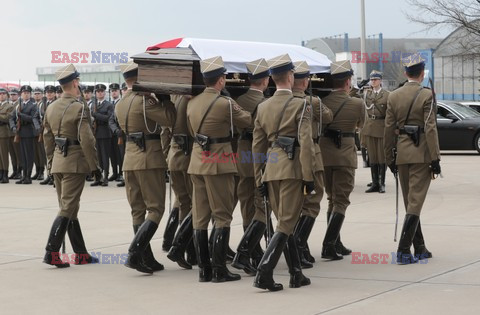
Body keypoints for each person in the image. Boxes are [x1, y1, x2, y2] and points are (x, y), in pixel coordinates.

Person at [252, 54, 315, 292]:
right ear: (290, 77)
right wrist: (308, 177)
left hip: (271, 168)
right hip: (292, 169)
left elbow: (256, 147)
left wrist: (259, 176)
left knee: (283, 222)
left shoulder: (262, 107)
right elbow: (306, 144)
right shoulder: (301, 105)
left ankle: (296, 273)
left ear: (272, 78)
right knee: (287, 223)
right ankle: (263, 273)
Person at [186, 56, 251, 283]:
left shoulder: (191, 103)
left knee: (200, 218)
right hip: (219, 163)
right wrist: (233, 102)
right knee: (222, 216)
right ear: (221, 80)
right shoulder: (224, 103)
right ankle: (219, 269)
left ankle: (204, 270)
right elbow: (247, 121)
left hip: (197, 161)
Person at [115, 61, 176, 274]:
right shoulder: (143, 101)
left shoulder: (120, 102)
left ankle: (146, 258)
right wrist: (166, 99)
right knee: (156, 209)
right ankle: (134, 252)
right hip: (148, 159)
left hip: (130, 159)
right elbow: (170, 119)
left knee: (137, 210)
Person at [42, 64, 101, 268]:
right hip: (74, 163)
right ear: (75, 82)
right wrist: (95, 166)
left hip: (58, 161)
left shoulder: (50, 107)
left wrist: (51, 163)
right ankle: (51, 251)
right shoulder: (78, 107)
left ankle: (81, 254)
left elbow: (47, 139)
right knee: (68, 208)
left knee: (70, 208)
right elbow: (87, 140)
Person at [384, 53, 440, 264]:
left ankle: (420, 247)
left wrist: (388, 156)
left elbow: (388, 130)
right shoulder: (426, 95)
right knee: (415, 203)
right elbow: (431, 128)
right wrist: (435, 158)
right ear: (422, 73)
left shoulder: (393, 96)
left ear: (406, 73)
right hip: (420, 154)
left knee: (411, 202)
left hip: (401, 154)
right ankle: (403, 250)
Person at [319, 60, 365, 261]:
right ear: (348, 82)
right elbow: (363, 126)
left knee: (331, 198)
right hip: (344, 155)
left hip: (323, 155)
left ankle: (335, 241)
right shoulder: (356, 103)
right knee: (341, 200)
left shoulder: (322, 102)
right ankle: (329, 244)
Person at [291, 61, 333, 268]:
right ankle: (298, 245)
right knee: (313, 202)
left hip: (286, 158)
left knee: (295, 205)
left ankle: (300, 247)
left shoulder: (277, 100)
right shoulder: (312, 101)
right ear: (306, 81)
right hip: (311, 155)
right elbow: (328, 116)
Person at [231, 58, 270, 275]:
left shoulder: (237, 100)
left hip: (241, 155)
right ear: (265, 80)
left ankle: (253, 252)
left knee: (246, 204)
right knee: (262, 205)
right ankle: (249, 251)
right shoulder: (266, 103)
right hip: (260, 157)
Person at [166, 94, 195, 269]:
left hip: (174, 156)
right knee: (198, 205)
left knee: (185, 203)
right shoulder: (192, 100)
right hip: (189, 156)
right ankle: (181, 247)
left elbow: (165, 131)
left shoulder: (175, 99)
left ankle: (188, 251)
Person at [362, 70, 390, 193]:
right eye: (372, 79)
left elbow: (390, 113)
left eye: (375, 79)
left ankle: (382, 183)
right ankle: (374, 183)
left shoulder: (387, 95)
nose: (373, 81)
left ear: (380, 80)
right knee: (372, 156)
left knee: (381, 156)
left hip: (381, 126)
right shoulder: (367, 94)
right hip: (370, 127)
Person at [9, 85, 40, 184]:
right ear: (21, 94)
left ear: (30, 94)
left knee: (29, 155)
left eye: (27, 93)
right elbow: (11, 117)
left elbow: (33, 118)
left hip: (29, 132)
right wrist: (13, 127)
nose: (26, 95)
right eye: (24, 93)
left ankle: (28, 176)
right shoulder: (19, 105)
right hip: (20, 132)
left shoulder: (33, 105)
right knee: (22, 155)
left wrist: (21, 115)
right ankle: (23, 175)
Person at [90, 84, 113, 187]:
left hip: (105, 133)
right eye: (98, 91)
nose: (100, 93)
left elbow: (109, 118)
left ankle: (106, 178)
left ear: (104, 93)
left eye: (101, 91)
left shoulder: (108, 105)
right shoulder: (93, 105)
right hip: (96, 133)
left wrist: (96, 115)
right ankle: (98, 177)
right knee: (97, 157)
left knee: (104, 156)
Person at [108, 83, 122, 182]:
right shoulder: (109, 104)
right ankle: (115, 172)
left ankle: (121, 173)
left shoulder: (121, 103)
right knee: (112, 154)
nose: (114, 92)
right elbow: (110, 119)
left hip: (120, 134)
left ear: (119, 92)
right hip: (110, 133)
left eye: (115, 90)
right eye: (112, 91)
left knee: (120, 154)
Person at [32, 87, 47, 181]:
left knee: (42, 153)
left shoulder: (43, 104)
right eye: (35, 94)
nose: (37, 95)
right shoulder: (34, 105)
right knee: (35, 153)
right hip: (34, 131)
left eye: (38, 93)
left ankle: (42, 171)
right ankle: (37, 170)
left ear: (42, 95)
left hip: (41, 132)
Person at [0, 88, 14, 183]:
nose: (1, 95)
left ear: (7, 95)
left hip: (4, 133)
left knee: (4, 155)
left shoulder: (9, 106)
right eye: (0, 94)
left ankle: (5, 174)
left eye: (4, 94)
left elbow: (7, 118)